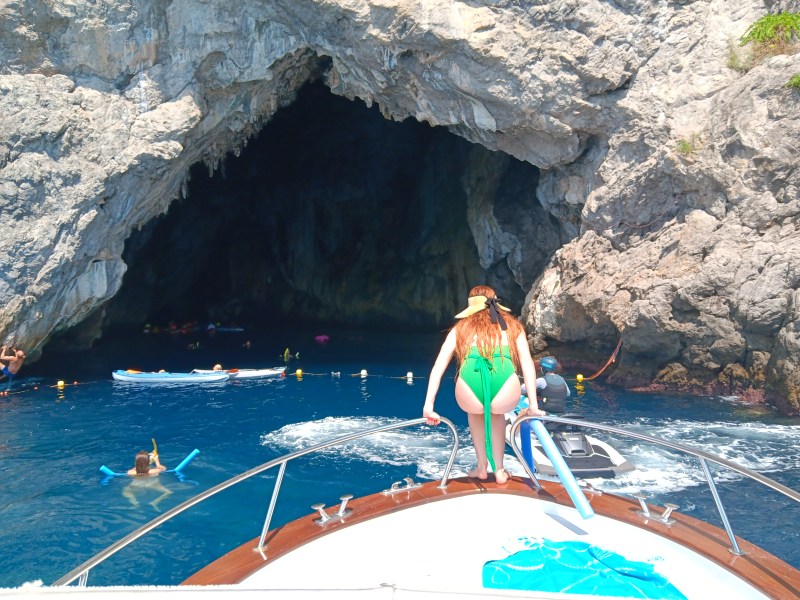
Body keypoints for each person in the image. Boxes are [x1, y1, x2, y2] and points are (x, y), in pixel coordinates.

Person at [423, 285, 545, 484]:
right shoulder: (513, 327)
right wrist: (533, 405)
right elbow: (527, 365)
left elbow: (439, 366)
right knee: (497, 414)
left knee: (475, 413)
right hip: (504, 384)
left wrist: (428, 406)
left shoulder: (460, 328)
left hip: (469, 386)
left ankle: (481, 466)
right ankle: (499, 470)